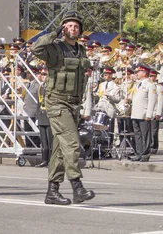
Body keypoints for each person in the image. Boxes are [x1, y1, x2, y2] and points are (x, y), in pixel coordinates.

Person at [32, 11, 95, 205]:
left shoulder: (81, 51)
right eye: (68, 25)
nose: (73, 28)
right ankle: (77, 186)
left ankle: (53, 191)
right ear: (63, 28)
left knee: (60, 150)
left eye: (76, 26)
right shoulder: (55, 47)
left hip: (74, 104)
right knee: (72, 144)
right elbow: (36, 48)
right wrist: (54, 34)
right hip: (57, 102)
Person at [35, 67, 52, 167]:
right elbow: (39, 102)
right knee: (44, 140)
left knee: (50, 140)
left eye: (45, 75)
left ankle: (51, 161)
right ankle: (44, 160)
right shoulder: (41, 87)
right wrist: (37, 116)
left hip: (49, 115)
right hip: (42, 115)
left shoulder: (51, 87)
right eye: (42, 75)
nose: (44, 77)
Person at [149, 69, 163, 154]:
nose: (151, 78)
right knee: (148, 131)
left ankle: (154, 147)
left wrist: (158, 112)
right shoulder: (147, 85)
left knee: (154, 131)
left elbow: (160, 100)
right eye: (150, 76)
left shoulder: (159, 87)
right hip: (147, 112)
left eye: (153, 76)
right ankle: (148, 146)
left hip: (155, 111)